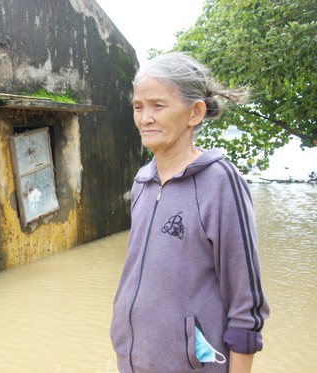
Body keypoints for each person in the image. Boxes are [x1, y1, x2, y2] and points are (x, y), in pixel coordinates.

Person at [110, 53, 270, 373]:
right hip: (133, 362)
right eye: (138, 107)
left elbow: (245, 306)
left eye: (158, 105)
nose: (145, 118)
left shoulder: (220, 182)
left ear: (194, 112)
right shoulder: (143, 182)